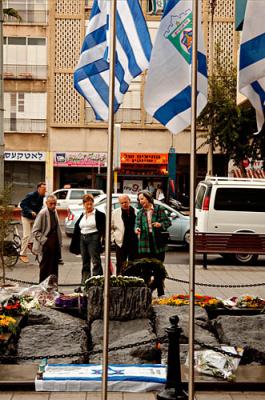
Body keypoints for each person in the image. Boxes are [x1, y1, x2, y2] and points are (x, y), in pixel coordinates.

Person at [135, 190, 171, 296]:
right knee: (145, 270)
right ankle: (146, 293)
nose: (141, 201)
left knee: (158, 270)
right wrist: (137, 229)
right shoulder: (140, 212)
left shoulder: (159, 209)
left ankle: (160, 293)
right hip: (144, 243)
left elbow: (168, 222)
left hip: (158, 242)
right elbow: (137, 223)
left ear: (148, 198)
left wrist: (160, 224)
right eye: (139, 199)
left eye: (142, 199)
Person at [70, 194, 105, 291]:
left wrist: (103, 241)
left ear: (93, 203)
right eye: (87, 204)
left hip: (94, 237)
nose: (89, 206)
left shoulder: (99, 214)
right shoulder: (82, 214)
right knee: (85, 262)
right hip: (83, 238)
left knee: (95, 261)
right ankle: (85, 283)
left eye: (90, 204)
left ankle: (97, 283)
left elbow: (104, 229)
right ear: (83, 204)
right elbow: (78, 227)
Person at [32, 195, 62, 284]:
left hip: (54, 244)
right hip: (46, 244)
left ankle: (53, 287)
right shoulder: (42, 213)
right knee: (45, 267)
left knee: (54, 268)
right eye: (51, 204)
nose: (53, 205)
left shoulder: (54, 211)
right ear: (46, 203)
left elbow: (57, 228)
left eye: (54, 203)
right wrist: (45, 240)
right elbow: (35, 231)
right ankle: (42, 287)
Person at [19, 182, 46, 263]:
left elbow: (39, 207)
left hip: (34, 218)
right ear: (39, 188)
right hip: (26, 217)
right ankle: (22, 254)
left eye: (45, 189)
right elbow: (22, 204)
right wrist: (30, 211)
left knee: (38, 233)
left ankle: (31, 244)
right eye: (43, 188)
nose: (45, 190)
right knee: (27, 235)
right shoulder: (31, 195)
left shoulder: (42, 197)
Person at [111, 194, 138, 275]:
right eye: (121, 203)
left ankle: (131, 281)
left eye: (125, 202)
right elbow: (110, 227)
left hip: (134, 242)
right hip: (120, 242)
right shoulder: (115, 213)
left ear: (129, 201)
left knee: (133, 264)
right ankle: (119, 281)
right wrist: (113, 238)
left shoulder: (136, 212)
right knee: (120, 264)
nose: (124, 204)